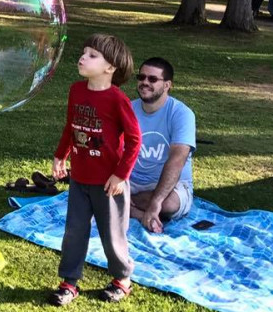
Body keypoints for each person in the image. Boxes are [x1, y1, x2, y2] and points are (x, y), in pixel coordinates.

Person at [49, 34, 142, 307]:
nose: (82, 57)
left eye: (92, 55)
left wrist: (120, 175)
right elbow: (71, 127)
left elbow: (135, 140)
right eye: (83, 52)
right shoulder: (76, 90)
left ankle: (122, 279)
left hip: (109, 184)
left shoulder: (118, 100)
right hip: (79, 179)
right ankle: (69, 282)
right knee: (74, 232)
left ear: (110, 67)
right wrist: (60, 157)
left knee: (112, 234)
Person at [129, 57, 196, 234]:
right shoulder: (128, 108)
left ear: (167, 85)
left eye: (152, 79)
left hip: (169, 185)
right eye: (141, 77)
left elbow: (177, 159)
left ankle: (127, 206)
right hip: (132, 181)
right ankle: (139, 213)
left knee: (169, 203)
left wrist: (155, 202)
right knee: (96, 189)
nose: (145, 82)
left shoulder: (182, 114)